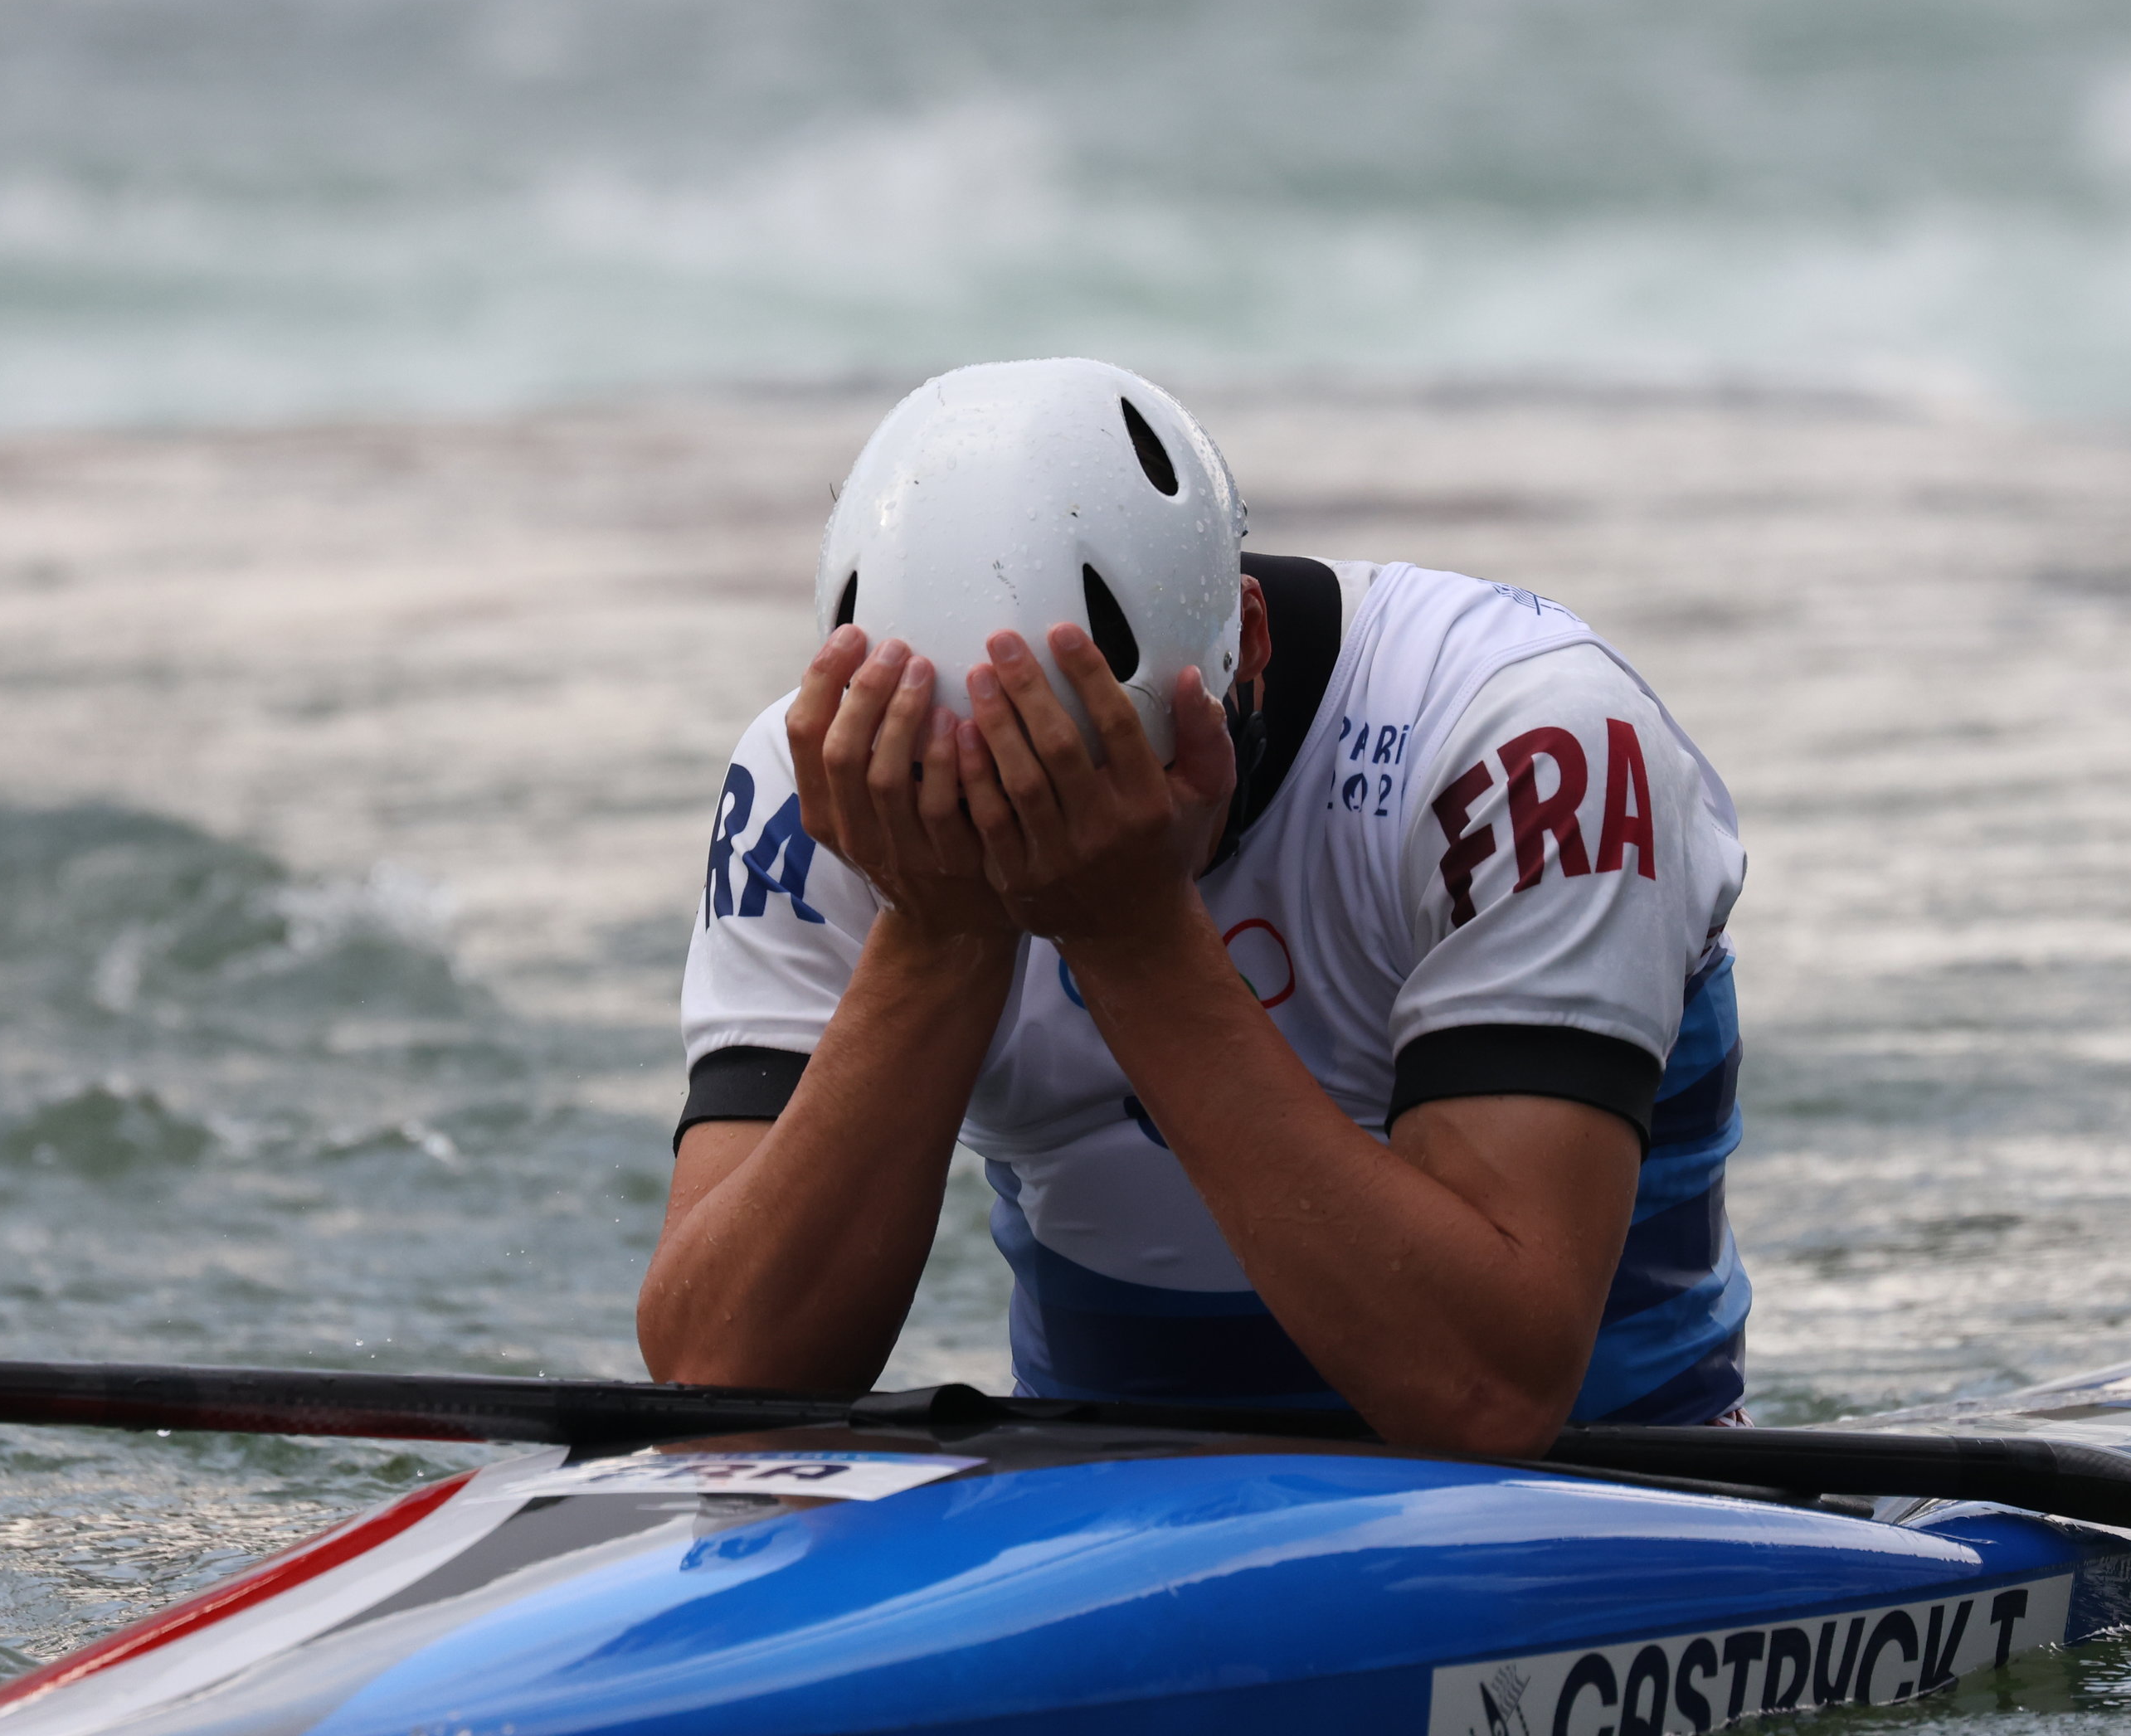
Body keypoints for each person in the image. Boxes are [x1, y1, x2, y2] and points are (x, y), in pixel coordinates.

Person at [637, 358, 1747, 1452]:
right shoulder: (837, 783)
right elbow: (723, 1378)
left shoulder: (1524, 742)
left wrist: (1131, 934)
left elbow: (1490, 1396)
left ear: (1245, 648)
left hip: (1609, 1482)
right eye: (967, 796)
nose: (1026, 827)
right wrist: (938, 927)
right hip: (1110, 1495)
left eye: (1086, 768)